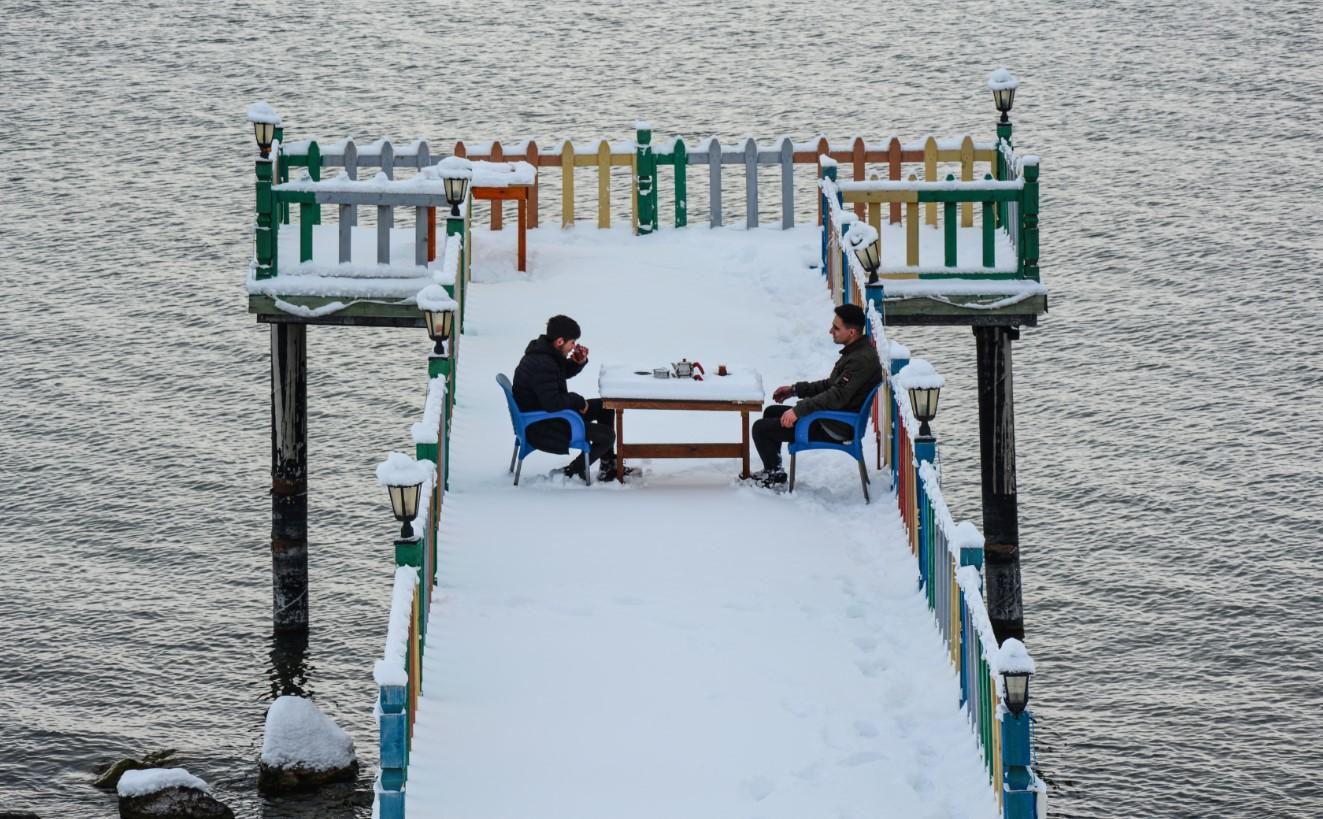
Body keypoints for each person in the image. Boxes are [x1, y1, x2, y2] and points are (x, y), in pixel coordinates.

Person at [749, 303, 883, 488]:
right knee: (772, 412)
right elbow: (831, 385)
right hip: (833, 417)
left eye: (836, 328)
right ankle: (774, 471)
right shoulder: (856, 352)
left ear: (852, 332)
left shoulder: (859, 360)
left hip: (835, 425)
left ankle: (773, 475)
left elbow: (837, 396)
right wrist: (794, 390)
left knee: (760, 429)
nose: (831, 331)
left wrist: (799, 410)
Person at [512, 314, 623, 482]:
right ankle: (572, 471)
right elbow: (552, 403)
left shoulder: (544, 354)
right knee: (607, 436)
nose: (573, 347)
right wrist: (577, 400)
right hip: (544, 426)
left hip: (549, 416)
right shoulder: (542, 364)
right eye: (572, 342)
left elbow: (556, 376)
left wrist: (578, 362)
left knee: (604, 407)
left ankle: (608, 465)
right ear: (559, 341)